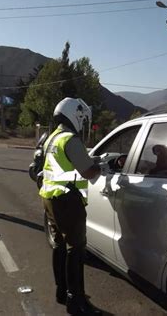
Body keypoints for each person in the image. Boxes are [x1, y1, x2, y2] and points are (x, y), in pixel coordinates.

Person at [39, 97, 106, 315]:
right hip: (68, 201)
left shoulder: (53, 138)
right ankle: (76, 301)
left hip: (50, 199)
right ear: (75, 116)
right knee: (75, 250)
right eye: (82, 118)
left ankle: (62, 292)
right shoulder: (70, 139)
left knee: (59, 246)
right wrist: (100, 166)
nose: (83, 123)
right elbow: (88, 172)